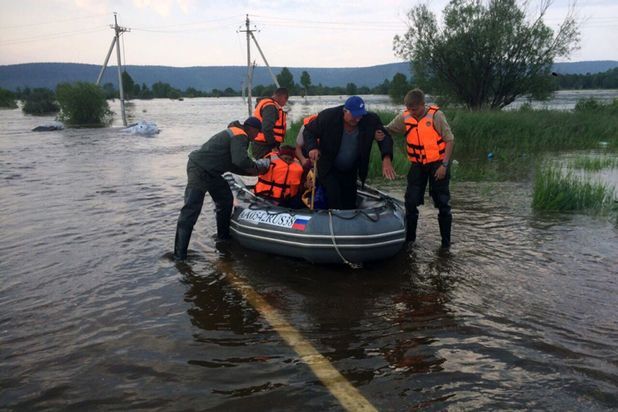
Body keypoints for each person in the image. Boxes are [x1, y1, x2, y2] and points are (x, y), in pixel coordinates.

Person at [174, 117, 271, 261]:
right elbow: (240, 161)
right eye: (257, 132)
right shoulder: (240, 135)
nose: (257, 136)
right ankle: (179, 256)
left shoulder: (238, 135)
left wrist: (253, 171)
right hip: (199, 169)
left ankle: (223, 239)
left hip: (213, 172)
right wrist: (258, 167)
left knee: (225, 200)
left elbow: (233, 164)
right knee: (191, 210)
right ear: (251, 128)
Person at [383, 88, 454, 248]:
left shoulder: (436, 116)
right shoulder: (405, 117)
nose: (411, 112)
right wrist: (377, 131)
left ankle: (445, 244)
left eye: (414, 109)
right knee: (410, 202)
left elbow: (449, 140)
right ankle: (409, 241)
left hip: (438, 164)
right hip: (418, 165)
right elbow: (388, 129)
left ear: (423, 105)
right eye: (408, 108)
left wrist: (444, 165)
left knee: (442, 203)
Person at [304, 95, 396, 210]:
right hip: (328, 167)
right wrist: (312, 147)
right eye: (354, 116)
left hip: (351, 170)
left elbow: (385, 138)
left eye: (360, 115)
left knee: (349, 202)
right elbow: (308, 132)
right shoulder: (328, 116)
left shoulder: (369, 120)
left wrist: (386, 158)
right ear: (345, 111)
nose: (358, 119)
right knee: (334, 196)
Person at [251, 87, 289, 159]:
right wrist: (273, 146)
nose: (285, 103)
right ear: (283, 97)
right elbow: (267, 128)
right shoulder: (270, 107)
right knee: (269, 168)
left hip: (262, 144)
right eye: (285, 100)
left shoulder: (266, 104)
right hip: (264, 146)